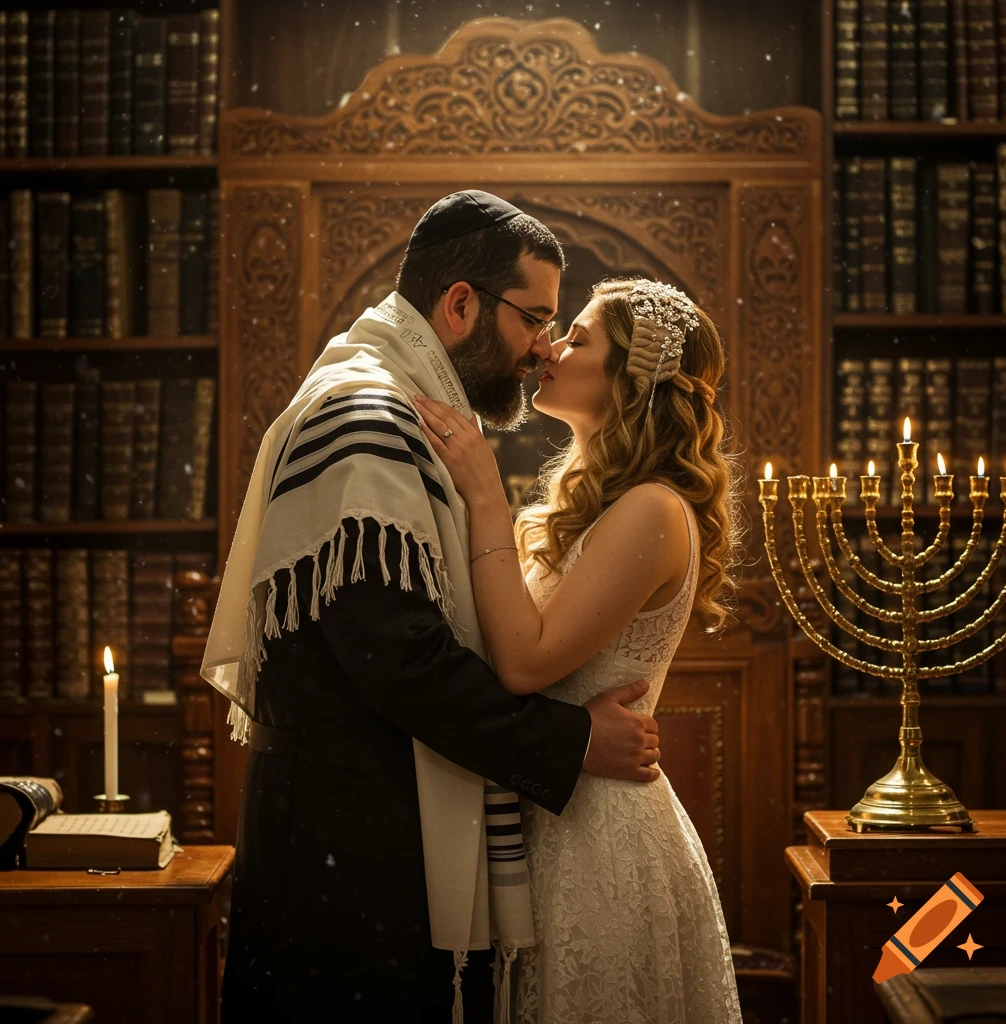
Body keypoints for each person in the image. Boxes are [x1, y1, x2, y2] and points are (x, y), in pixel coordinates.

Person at [201, 191, 664, 1023]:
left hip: (357, 831)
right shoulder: (368, 415)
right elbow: (402, 664)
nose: (541, 349)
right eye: (533, 320)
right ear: (460, 304)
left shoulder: (395, 403)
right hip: (353, 850)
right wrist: (573, 740)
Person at [413, 276, 745, 1023]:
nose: (551, 348)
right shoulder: (597, 500)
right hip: (554, 808)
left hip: (602, 844)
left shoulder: (652, 509)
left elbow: (525, 663)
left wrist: (484, 494)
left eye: (579, 338)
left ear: (630, 379)